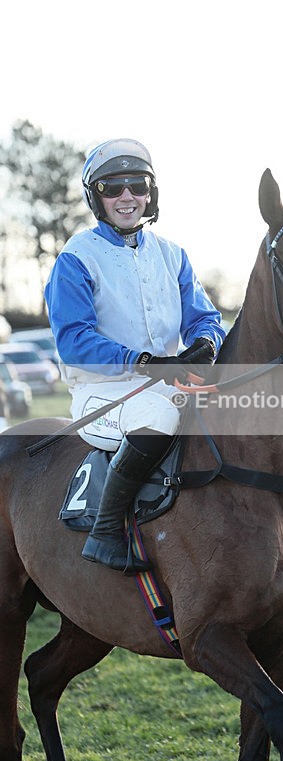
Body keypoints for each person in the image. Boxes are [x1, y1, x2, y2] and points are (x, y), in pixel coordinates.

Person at [45, 139, 225, 574]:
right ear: (96, 198)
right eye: (112, 187)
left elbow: (206, 317)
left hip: (166, 384)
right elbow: (74, 341)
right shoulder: (75, 258)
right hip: (100, 394)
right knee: (159, 416)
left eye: (137, 185)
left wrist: (206, 343)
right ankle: (105, 532)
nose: (126, 197)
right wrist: (143, 362)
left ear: (150, 193)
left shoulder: (173, 254)